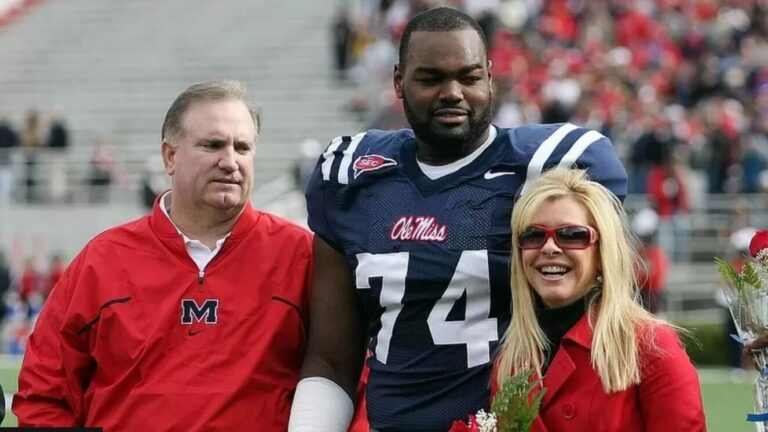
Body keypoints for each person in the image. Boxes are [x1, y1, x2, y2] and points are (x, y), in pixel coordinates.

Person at [289, 7, 628, 431]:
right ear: (398, 82)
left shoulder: (545, 166)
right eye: (431, 78)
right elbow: (332, 355)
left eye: (468, 77)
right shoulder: (352, 175)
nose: (452, 92)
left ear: (490, 76)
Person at [13, 80, 315, 430]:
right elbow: (44, 394)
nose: (230, 162)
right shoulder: (102, 260)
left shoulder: (303, 256)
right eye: (213, 145)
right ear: (170, 156)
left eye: (243, 147)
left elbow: (351, 378)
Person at [494, 168, 705, 431]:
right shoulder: (510, 362)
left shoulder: (651, 346)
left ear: (602, 254)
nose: (549, 247)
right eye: (533, 235)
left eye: (572, 235)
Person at [631, 208, 668, 314]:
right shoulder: (640, 253)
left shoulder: (656, 254)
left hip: (651, 297)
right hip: (641, 296)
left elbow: (655, 279)